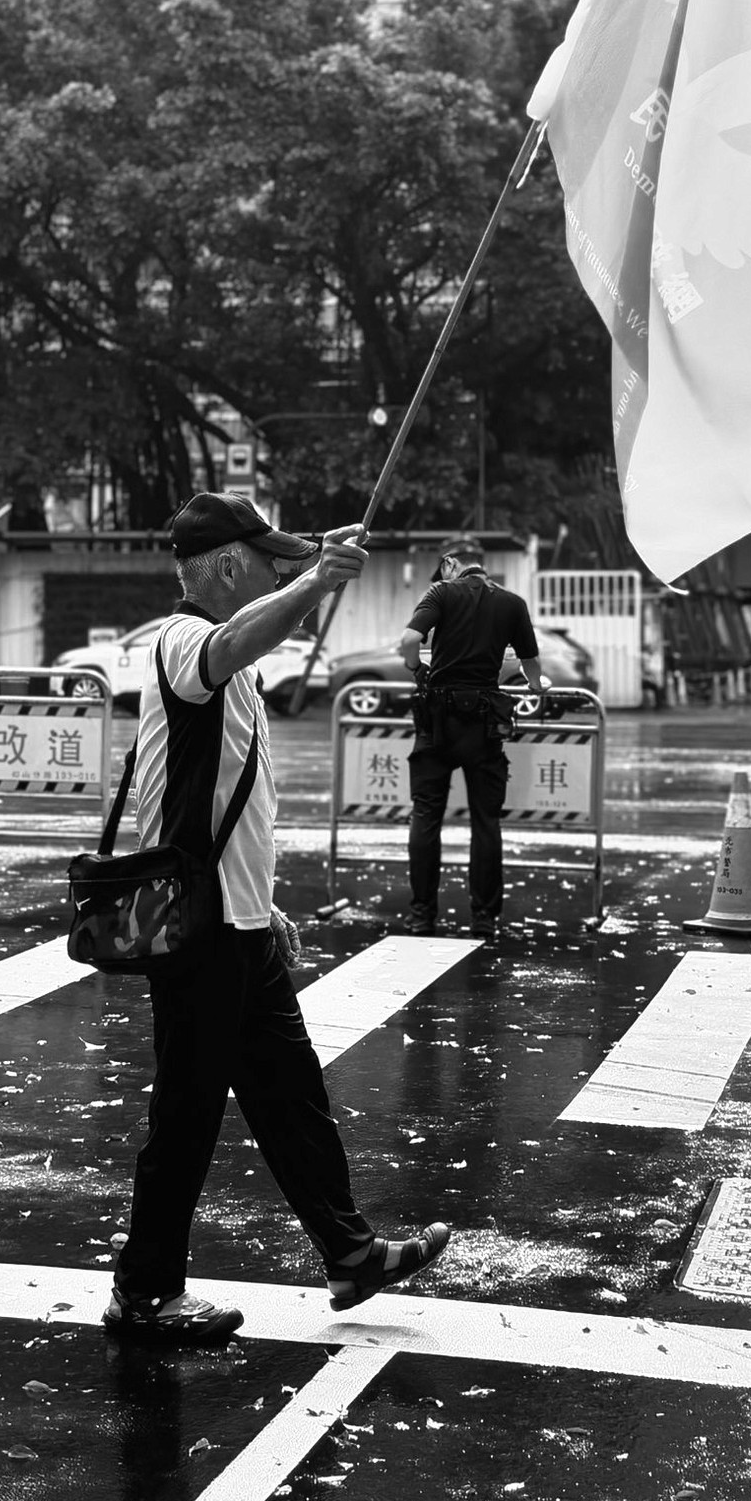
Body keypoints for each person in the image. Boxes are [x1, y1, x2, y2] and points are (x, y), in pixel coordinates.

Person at [104, 491, 450, 1344]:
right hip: (201, 933)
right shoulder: (184, 640)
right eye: (260, 561)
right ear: (225, 568)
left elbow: (224, 799)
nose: (275, 573)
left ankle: (350, 1253)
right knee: (187, 1111)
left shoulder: (234, 658)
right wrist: (312, 583)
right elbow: (232, 638)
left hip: (240, 923)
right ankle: (144, 1293)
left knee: (292, 1096)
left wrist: (310, 562)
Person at [400, 536, 544, 938]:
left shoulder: (441, 592)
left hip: (438, 723)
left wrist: (416, 669)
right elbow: (531, 664)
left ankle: (422, 915)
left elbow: (410, 641)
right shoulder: (512, 602)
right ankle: (483, 918)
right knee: (485, 821)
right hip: (484, 724)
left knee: (427, 815)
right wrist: (535, 685)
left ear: (449, 563)